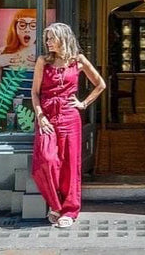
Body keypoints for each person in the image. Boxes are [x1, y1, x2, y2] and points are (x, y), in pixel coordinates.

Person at [31, 23, 106, 228]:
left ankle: (69, 211)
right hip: (47, 117)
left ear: (63, 38)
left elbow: (100, 84)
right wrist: (41, 116)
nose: (48, 42)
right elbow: (35, 93)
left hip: (69, 116)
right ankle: (54, 205)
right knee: (47, 160)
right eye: (47, 39)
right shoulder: (43, 61)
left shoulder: (78, 61)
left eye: (51, 38)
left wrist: (83, 103)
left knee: (70, 166)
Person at [0, 9, 37, 87]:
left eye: (33, 26)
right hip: (9, 98)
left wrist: (41, 64)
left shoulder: (41, 52)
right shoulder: (3, 51)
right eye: (22, 25)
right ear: (15, 27)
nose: (27, 30)